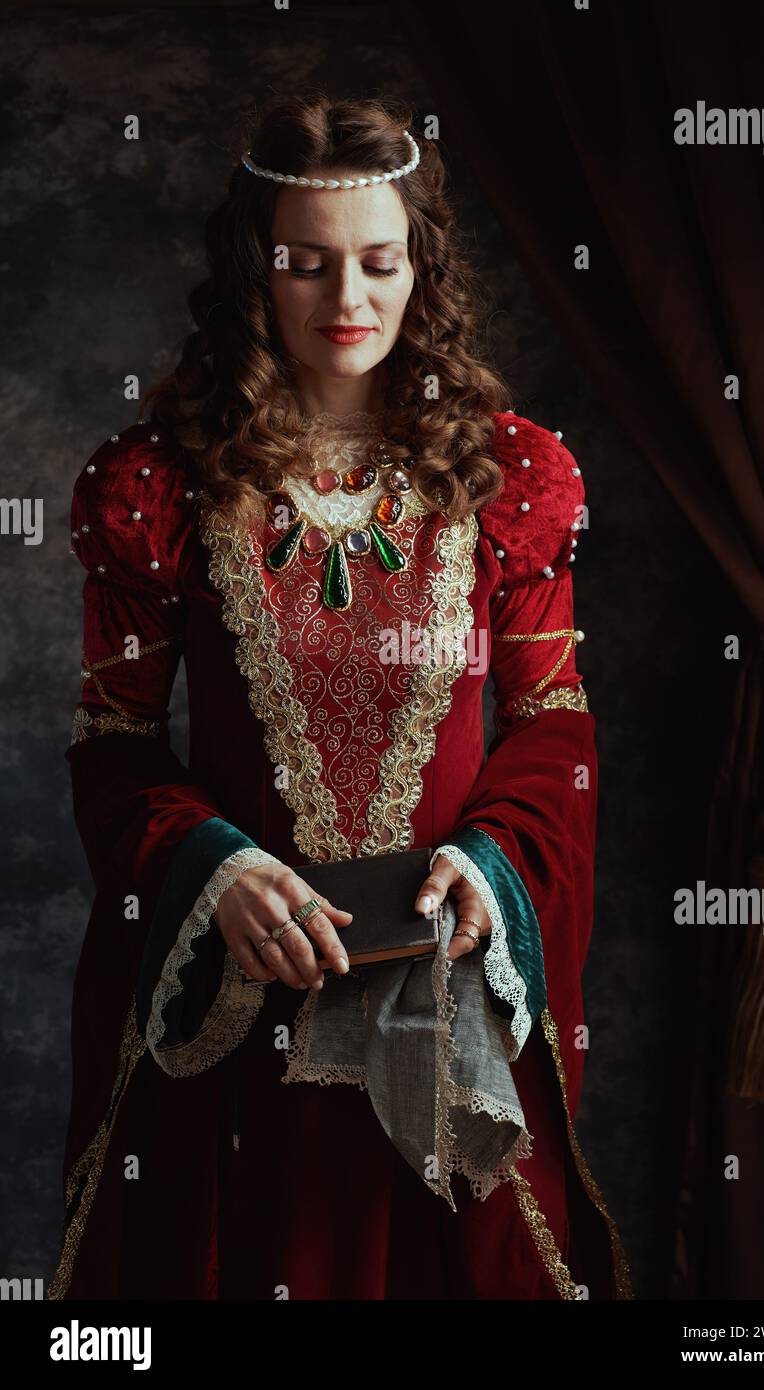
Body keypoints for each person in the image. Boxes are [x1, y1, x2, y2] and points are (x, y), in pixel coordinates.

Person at [49, 94, 632, 1301]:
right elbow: (111, 742)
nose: (347, 300)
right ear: (252, 273)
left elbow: (553, 723)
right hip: (243, 1003)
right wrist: (214, 867)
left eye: (377, 261)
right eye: (306, 266)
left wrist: (494, 861)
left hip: (444, 990)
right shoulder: (159, 485)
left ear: (421, 264)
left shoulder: (509, 476)